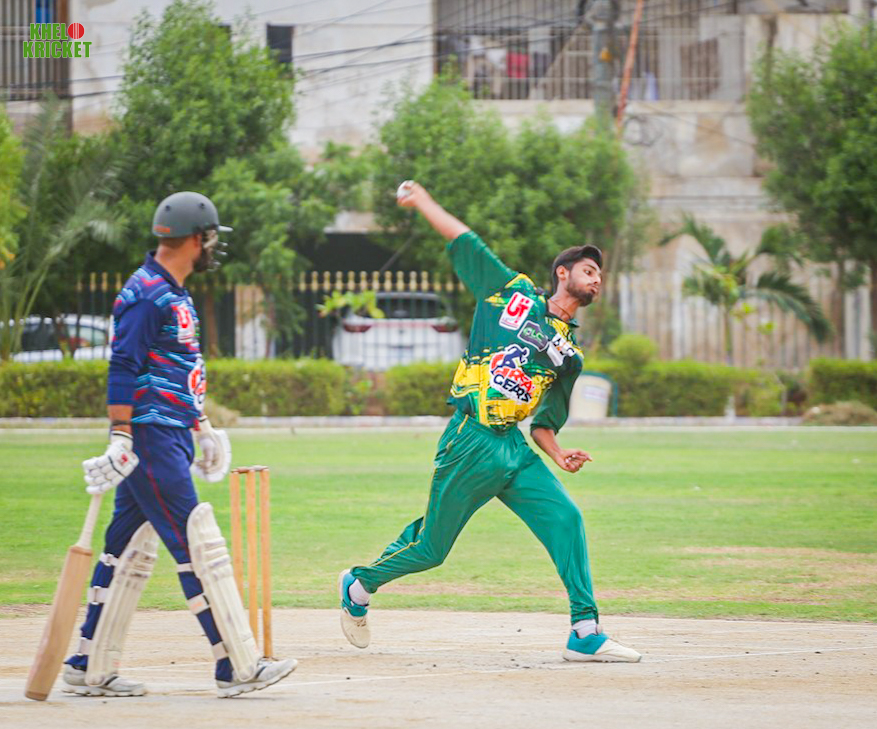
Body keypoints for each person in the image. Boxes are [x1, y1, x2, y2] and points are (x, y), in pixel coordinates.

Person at [338, 181, 641, 663]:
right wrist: (424, 202)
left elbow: (544, 424)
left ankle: (585, 632)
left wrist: (558, 455)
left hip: (514, 449)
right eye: (589, 270)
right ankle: (359, 584)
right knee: (432, 549)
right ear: (562, 273)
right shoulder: (511, 294)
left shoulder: (570, 356)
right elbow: (466, 241)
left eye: (600, 275)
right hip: (470, 438)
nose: (596, 280)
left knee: (566, 518)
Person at [63, 191, 297, 698]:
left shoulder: (171, 290)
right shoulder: (147, 293)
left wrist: (200, 424)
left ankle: (87, 664)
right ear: (195, 239)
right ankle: (236, 664)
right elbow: (123, 365)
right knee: (197, 543)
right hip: (149, 438)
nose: (212, 248)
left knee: (125, 549)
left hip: (169, 431)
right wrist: (122, 435)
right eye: (210, 239)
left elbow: (174, 369)